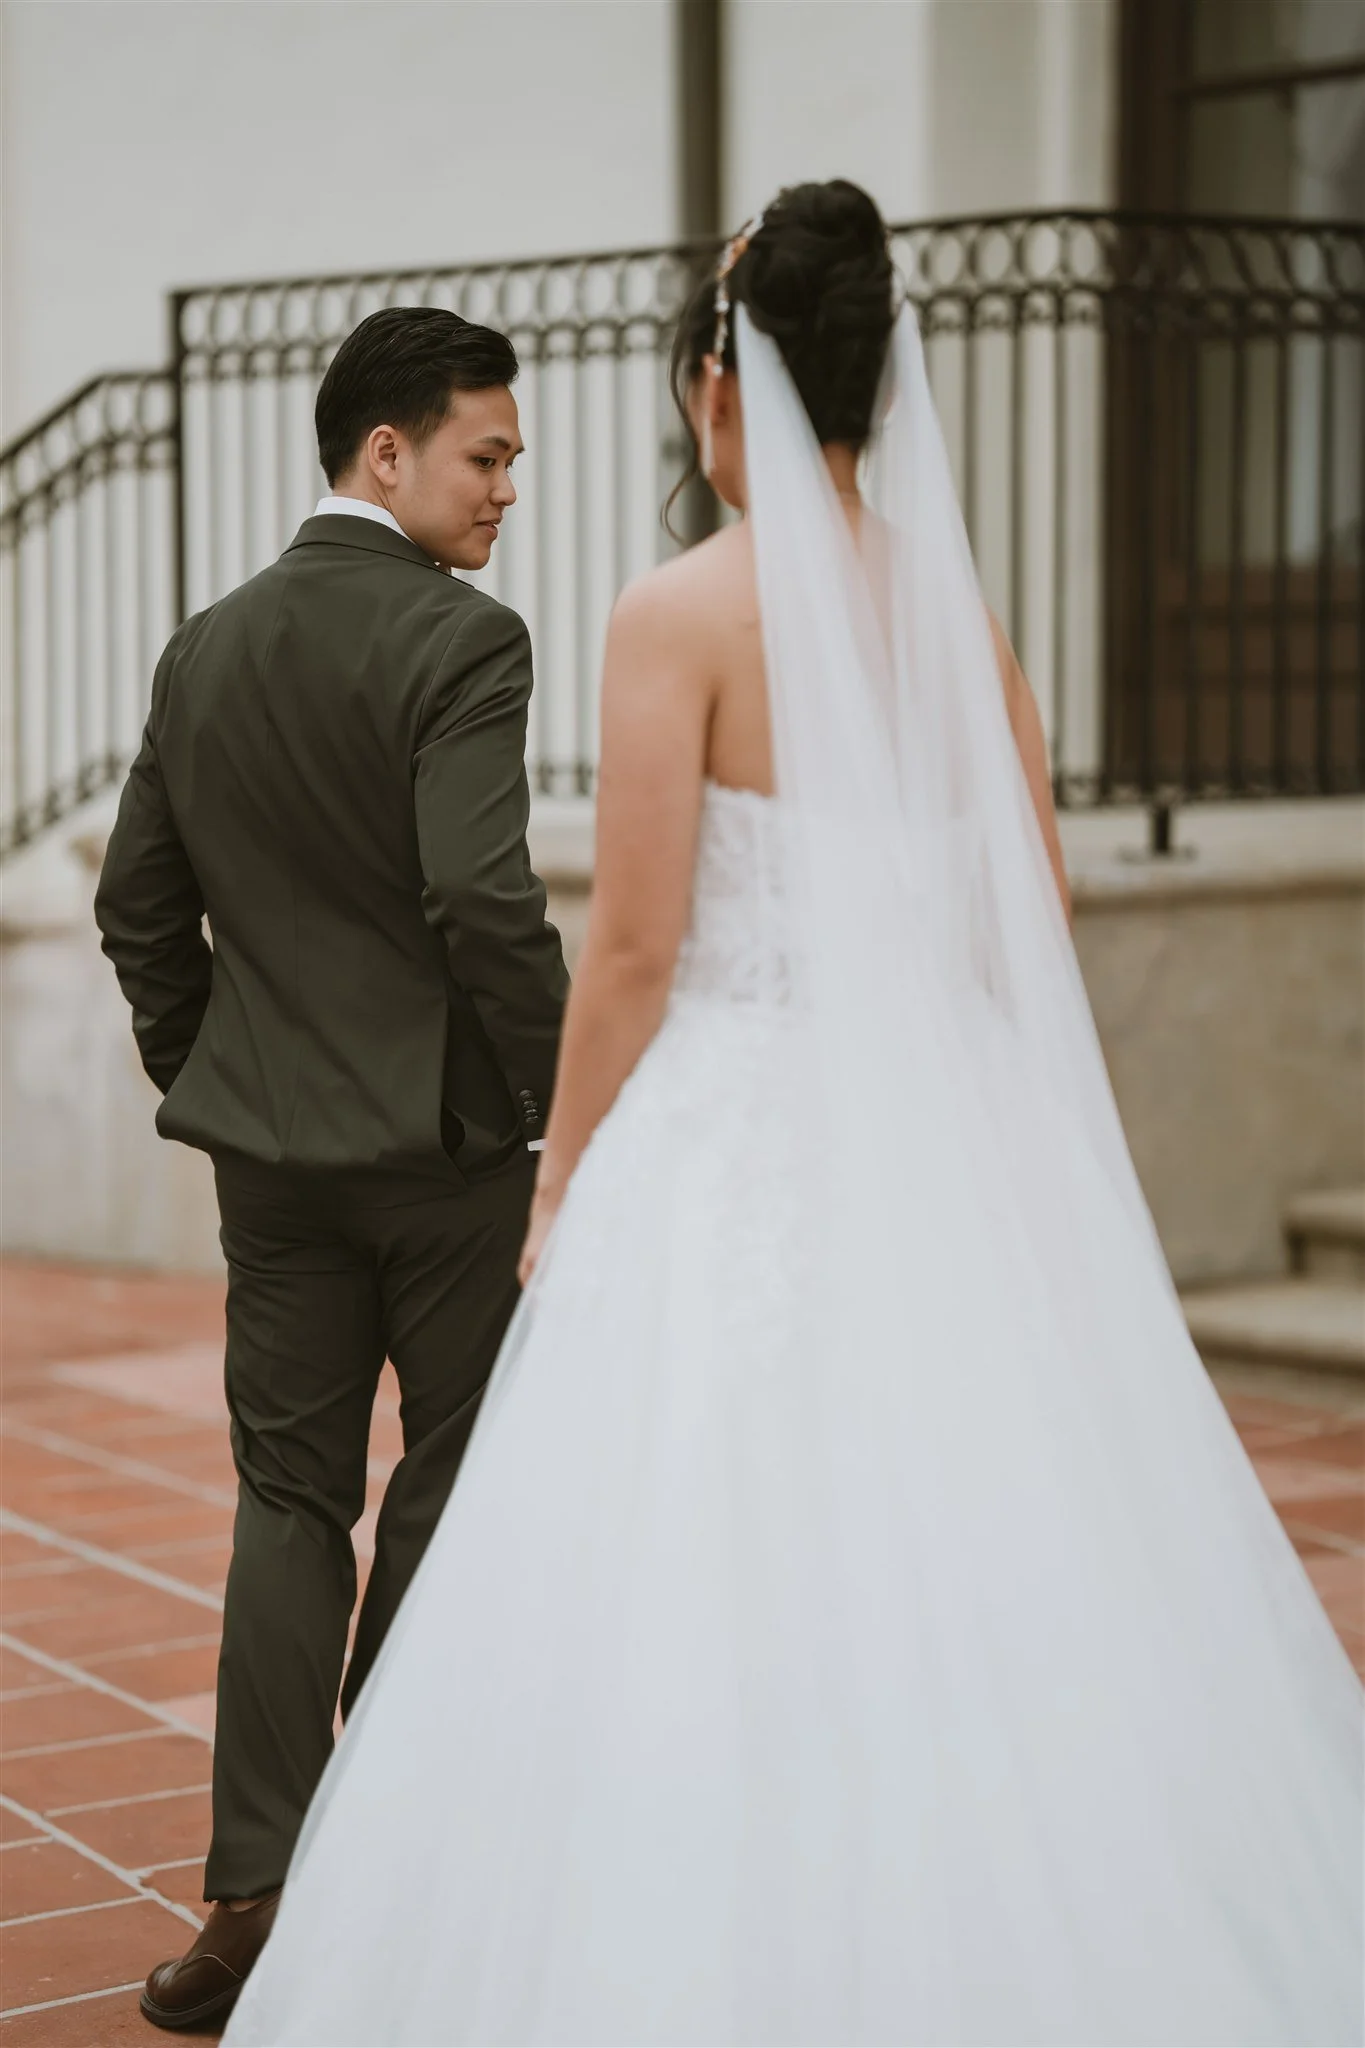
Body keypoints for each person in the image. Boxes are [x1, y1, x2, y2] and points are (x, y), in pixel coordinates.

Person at [227, 183, 1362, 2047]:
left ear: (715, 386)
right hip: (941, 1128)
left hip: (736, 1122)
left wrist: (569, 1165)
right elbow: (1029, 904)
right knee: (987, 1525)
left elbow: (639, 946)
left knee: (691, 1545)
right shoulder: (953, 607)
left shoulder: (681, 611)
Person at [93, 306, 568, 2032]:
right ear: (390, 451)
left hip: (274, 1168)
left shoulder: (203, 648)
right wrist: (562, 1094)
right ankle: (394, 1866)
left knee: (289, 1502)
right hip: (448, 1158)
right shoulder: (468, 641)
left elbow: (137, 906)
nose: (510, 485)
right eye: (487, 452)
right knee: (445, 1485)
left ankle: (252, 1903)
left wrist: (222, 1067)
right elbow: (481, 897)